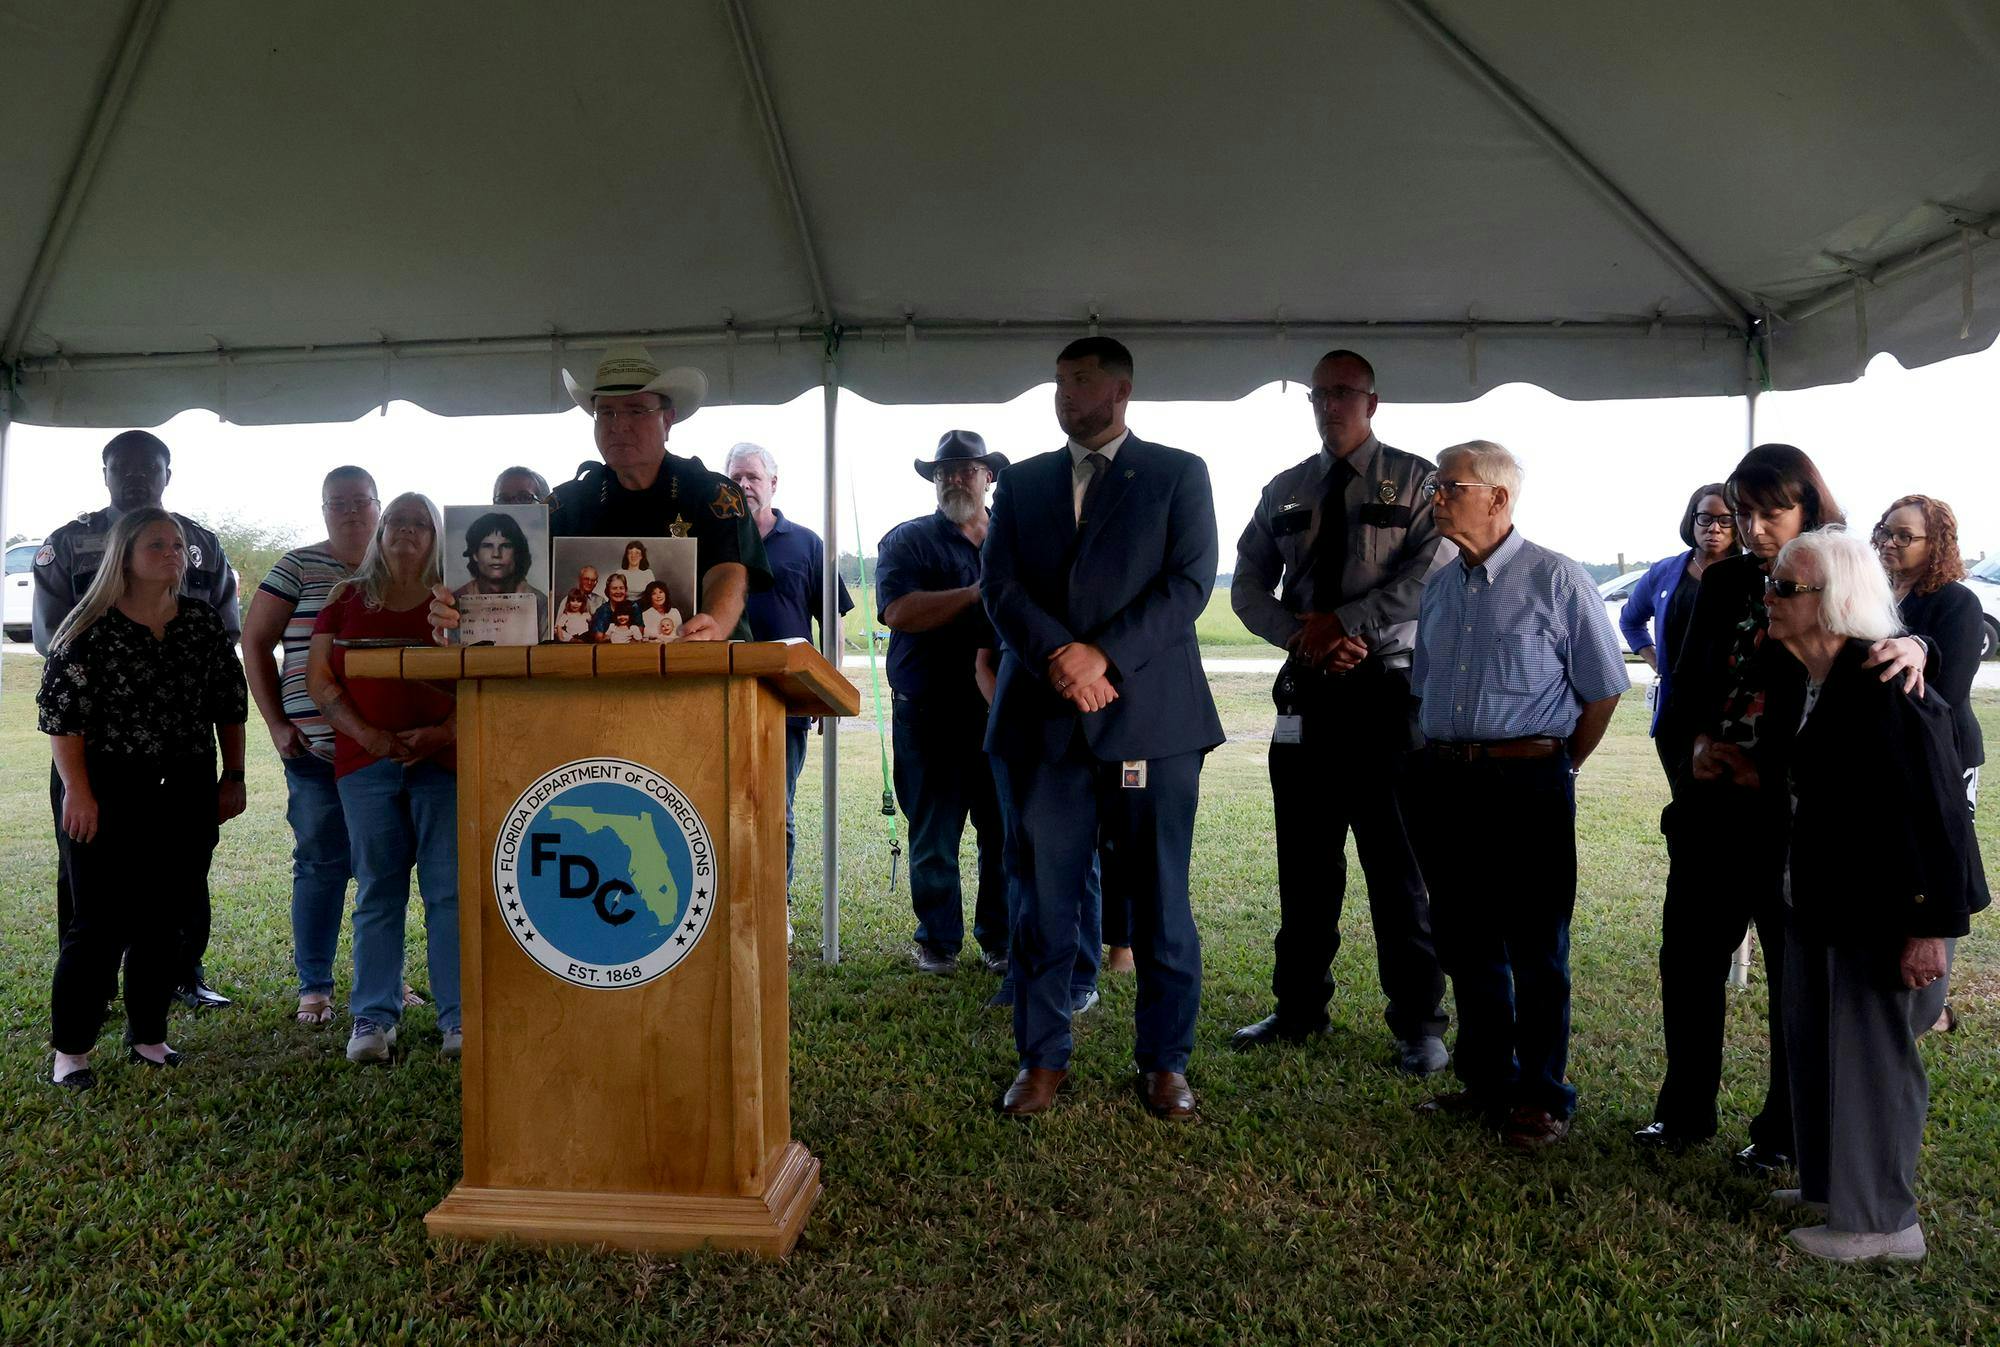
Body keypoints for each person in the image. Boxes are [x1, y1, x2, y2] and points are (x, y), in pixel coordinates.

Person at [1641, 444, 1926, 1167]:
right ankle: (1683, 1114)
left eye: (1773, 512)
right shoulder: (1725, 579)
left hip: (1790, 814)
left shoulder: (1832, 572)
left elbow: (1884, 648)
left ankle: (1784, 1131)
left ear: (1811, 508)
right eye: (1743, 512)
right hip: (1710, 804)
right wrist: (1698, 748)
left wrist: (1918, 644)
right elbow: (1686, 685)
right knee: (1689, 959)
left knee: (1792, 975)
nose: (1755, 527)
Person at [982, 336, 1225, 1121]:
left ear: (1121, 390)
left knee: (1159, 901)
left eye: (1081, 381)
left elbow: (1189, 582)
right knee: (1041, 899)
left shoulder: (1177, 474)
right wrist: (1059, 655)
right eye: (1059, 381)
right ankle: (1042, 1057)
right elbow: (999, 585)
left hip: (1151, 719)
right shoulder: (1021, 483)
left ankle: (1164, 1062)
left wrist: (1103, 657)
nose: (1065, 394)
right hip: (1041, 723)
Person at [1762, 528, 1987, 1262]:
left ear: (1831, 600)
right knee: (1817, 1044)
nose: (1770, 596)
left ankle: (1885, 1222)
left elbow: (1939, 817)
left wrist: (1928, 931)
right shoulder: (1819, 679)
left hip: (1889, 911)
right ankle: (1832, 1188)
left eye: (1785, 588)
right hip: (1826, 901)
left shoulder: (1889, 685)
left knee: (1873, 1060)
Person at [1229, 348, 1451, 1074]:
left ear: (1373, 402)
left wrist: (1348, 624)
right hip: (1307, 694)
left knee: (1398, 864)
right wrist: (1299, 633)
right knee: (1305, 861)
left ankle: (1418, 1021)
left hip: (1389, 694)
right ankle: (1299, 1008)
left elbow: (1430, 574)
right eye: (1320, 395)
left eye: (1344, 394)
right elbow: (1248, 584)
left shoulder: (1418, 480)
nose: (1331, 407)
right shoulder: (1286, 488)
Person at [1408, 441, 1628, 1149]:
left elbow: (1602, 690)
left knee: (1536, 943)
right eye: (1435, 486)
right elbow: (1425, 688)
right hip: (1447, 778)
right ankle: (1486, 1080)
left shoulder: (1558, 579)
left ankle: (1542, 1093)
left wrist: (1556, 766)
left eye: (1449, 486)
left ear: (1498, 497)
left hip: (1527, 778)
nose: (1434, 497)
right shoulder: (1440, 586)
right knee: (1465, 937)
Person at [38, 508, 248, 1088]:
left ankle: (149, 1037)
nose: (173, 552)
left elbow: (230, 702)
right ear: (125, 555)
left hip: (184, 784)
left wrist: (234, 775)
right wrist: (78, 793)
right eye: (158, 544)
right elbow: (61, 718)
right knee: (99, 923)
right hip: (103, 787)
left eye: (178, 544)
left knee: (166, 917)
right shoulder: (88, 625)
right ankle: (71, 1053)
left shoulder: (201, 622)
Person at [430, 347, 770, 643]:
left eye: (636, 410)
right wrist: (463, 620)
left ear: (668, 420)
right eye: (605, 412)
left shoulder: (712, 493)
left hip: (701, 677)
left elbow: (729, 573)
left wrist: (714, 625)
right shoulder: (565, 505)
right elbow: (520, 584)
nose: (618, 425)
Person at [308, 494, 462, 1064]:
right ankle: (372, 1018)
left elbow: (484, 677)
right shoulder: (346, 597)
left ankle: (458, 1020)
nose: (406, 531)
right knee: (378, 889)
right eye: (396, 521)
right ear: (381, 531)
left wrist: (446, 732)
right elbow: (321, 680)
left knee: (447, 893)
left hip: (442, 765)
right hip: (364, 766)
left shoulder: (457, 600)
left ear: (436, 536)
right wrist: (369, 737)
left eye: (420, 524)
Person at [242, 466, 378, 1024]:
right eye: (336, 502)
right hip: (314, 752)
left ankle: (382, 979)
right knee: (321, 864)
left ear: (378, 504)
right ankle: (315, 988)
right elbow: (254, 641)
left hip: (382, 753)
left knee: (382, 869)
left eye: (359, 500)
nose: (349, 511)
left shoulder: (409, 564)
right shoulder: (297, 565)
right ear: (323, 510)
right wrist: (275, 723)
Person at [877, 431, 1012, 976]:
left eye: (966, 469)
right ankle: (938, 942)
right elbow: (899, 612)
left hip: (1002, 711)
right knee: (933, 835)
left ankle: (1000, 940)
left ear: (989, 477)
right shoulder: (907, 542)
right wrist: (977, 594)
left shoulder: (1018, 536)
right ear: (934, 481)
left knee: (1003, 831)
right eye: (945, 471)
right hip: (930, 713)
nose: (955, 478)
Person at [727, 442, 854, 890]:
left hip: (786, 702)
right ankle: (732, 899)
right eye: (736, 477)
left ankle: (773, 906)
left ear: (773, 485)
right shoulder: (713, 543)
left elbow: (832, 622)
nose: (744, 485)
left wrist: (825, 690)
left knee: (777, 808)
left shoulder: (806, 544)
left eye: (753, 477)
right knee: (724, 804)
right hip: (723, 694)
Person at [1618, 483, 1740, 779]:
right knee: (1683, 805)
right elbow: (1630, 621)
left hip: (1733, 708)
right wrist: (1655, 660)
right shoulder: (1664, 571)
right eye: (1706, 518)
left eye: (1726, 520)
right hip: (1677, 709)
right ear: (1692, 520)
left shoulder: (1752, 572)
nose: (1715, 528)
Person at [1874, 495, 1984, 811]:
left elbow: (1950, 689)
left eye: (1904, 536)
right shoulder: (1874, 595)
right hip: (1887, 749)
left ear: (1935, 543)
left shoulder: (1958, 602)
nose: (1888, 542)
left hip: (1942, 749)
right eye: (1885, 531)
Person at [453, 510, 550, 638]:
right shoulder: (454, 602)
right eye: (487, 546)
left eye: (505, 546)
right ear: (475, 554)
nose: (496, 554)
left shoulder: (540, 603)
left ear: (516, 553)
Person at [590, 572, 639, 640]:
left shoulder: (634, 607)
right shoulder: (602, 611)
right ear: (608, 591)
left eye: (621, 588)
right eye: (614, 588)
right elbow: (599, 638)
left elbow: (639, 634)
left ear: (626, 590)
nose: (618, 591)